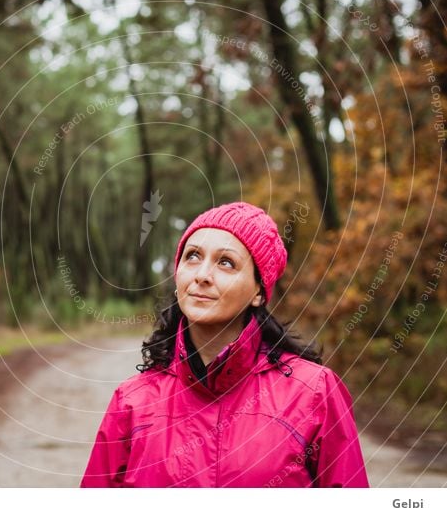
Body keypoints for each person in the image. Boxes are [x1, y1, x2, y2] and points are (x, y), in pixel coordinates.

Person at [80, 201, 369, 487]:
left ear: (258, 291)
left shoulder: (314, 394)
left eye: (226, 262)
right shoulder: (132, 401)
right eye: (192, 256)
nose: (202, 275)